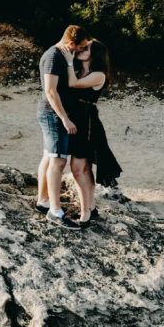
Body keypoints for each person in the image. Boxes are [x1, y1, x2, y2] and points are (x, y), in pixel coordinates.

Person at [36, 25, 92, 230]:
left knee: (49, 157)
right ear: (71, 43)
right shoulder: (53, 57)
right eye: (81, 47)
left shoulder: (63, 56)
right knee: (58, 161)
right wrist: (65, 119)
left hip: (55, 115)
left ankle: (43, 202)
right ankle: (55, 211)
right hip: (54, 115)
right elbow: (50, 92)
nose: (82, 51)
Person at [62, 39, 123, 225]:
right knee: (85, 168)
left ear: (95, 53)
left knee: (78, 169)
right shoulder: (81, 70)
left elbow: (72, 83)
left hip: (87, 124)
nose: (81, 48)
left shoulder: (98, 75)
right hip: (76, 120)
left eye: (86, 47)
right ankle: (91, 207)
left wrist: (69, 59)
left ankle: (85, 213)